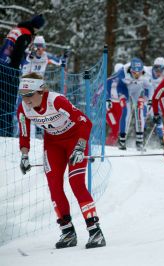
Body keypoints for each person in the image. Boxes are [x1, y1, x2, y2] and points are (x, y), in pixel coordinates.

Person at [17, 73, 105, 249]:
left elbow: (85, 122)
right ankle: (67, 232)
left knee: (76, 182)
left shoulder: (56, 101)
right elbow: (24, 133)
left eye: (30, 94)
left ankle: (95, 231)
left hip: (74, 140)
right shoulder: (23, 109)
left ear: (41, 91)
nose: (26, 99)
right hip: (53, 144)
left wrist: (80, 147)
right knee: (54, 185)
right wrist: (24, 155)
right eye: (23, 95)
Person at [0, 14, 45, 137]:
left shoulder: (17, 30)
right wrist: (16, 71)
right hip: (9, 72)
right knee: (8, 104)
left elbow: (9, 49)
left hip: (2, 66)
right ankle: (5, 133)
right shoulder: (25, 34)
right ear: (37, 28)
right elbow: (16, 54)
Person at [115, 57, 152, 151]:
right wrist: (121, 96)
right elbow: (116, 84)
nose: (136, 75)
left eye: (138, 73)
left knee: (140, 112)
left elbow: (149, 88)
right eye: (134, 73)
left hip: (139, 90)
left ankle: (139, 141)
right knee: (126, 112)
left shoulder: (147, 73)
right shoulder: (122, 71)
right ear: (130, 70)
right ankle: (122, 139)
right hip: (125, 89)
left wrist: (148, 100)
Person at [144, 57, 164, 145]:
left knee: (157, 117)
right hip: (146, 98)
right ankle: (141, 138)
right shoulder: (147, 71)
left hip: (156, 100)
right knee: (143, 115)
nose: (158, 72)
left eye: (161, 69)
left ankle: (162, 140)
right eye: (156, 68)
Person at [105, 63, 125, 145]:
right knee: (115, 125)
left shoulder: (124, 80)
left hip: (119, 106)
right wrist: (107, 100)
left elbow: (126, 92)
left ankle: (111, 143)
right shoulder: (110, 80)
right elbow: (105, 91)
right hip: (110, 107)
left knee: (117, 127)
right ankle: (110, 144)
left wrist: (124, 99)